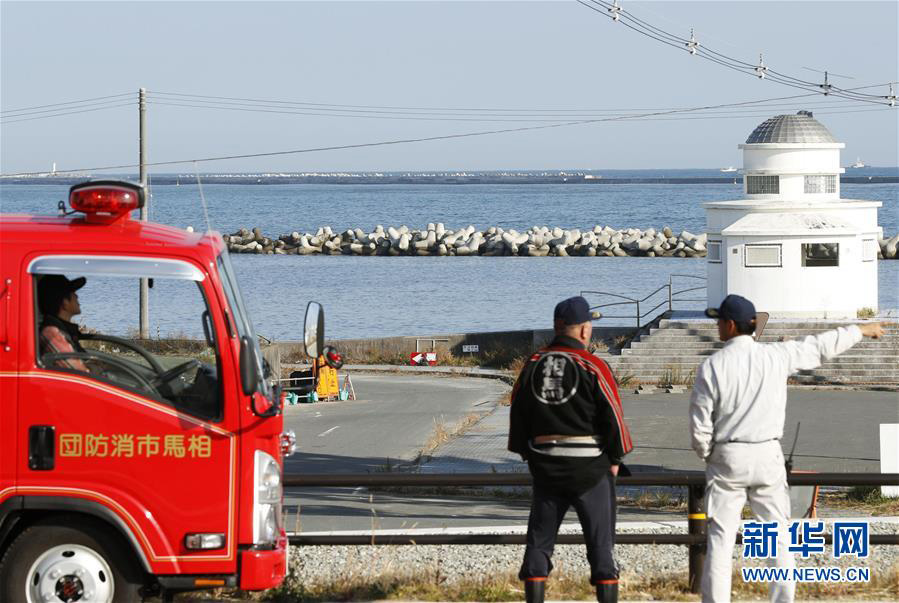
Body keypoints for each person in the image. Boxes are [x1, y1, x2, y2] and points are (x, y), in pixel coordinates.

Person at [689, 294, 884, 603]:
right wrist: (859, 330)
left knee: (721, 540)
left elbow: (700, 425)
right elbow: (819, 347)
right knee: (778, 537)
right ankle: (782, 599)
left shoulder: (713, 366)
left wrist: (708, 453)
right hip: (767, 453)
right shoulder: (776, 356)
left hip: (728, 454)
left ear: (728, 325)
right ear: (752, 325)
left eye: (718, 321)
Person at [509, 295, 634, 603]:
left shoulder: (533, 364)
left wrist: (529, 455)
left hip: (546, 465)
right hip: (590, 467)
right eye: (588, 324)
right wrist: (616, 457)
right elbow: (613, 416)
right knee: (601, 544)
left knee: (539, 541)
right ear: (582, 331)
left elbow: (518, 411)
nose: (589, 329)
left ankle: (535, 596)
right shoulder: (593, 365)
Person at [38, 274, 90, 372]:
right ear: (64, 302)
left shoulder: (63, 330)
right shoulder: (52, 333)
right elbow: (79, 373)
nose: (76, 295)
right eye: (72, 292)